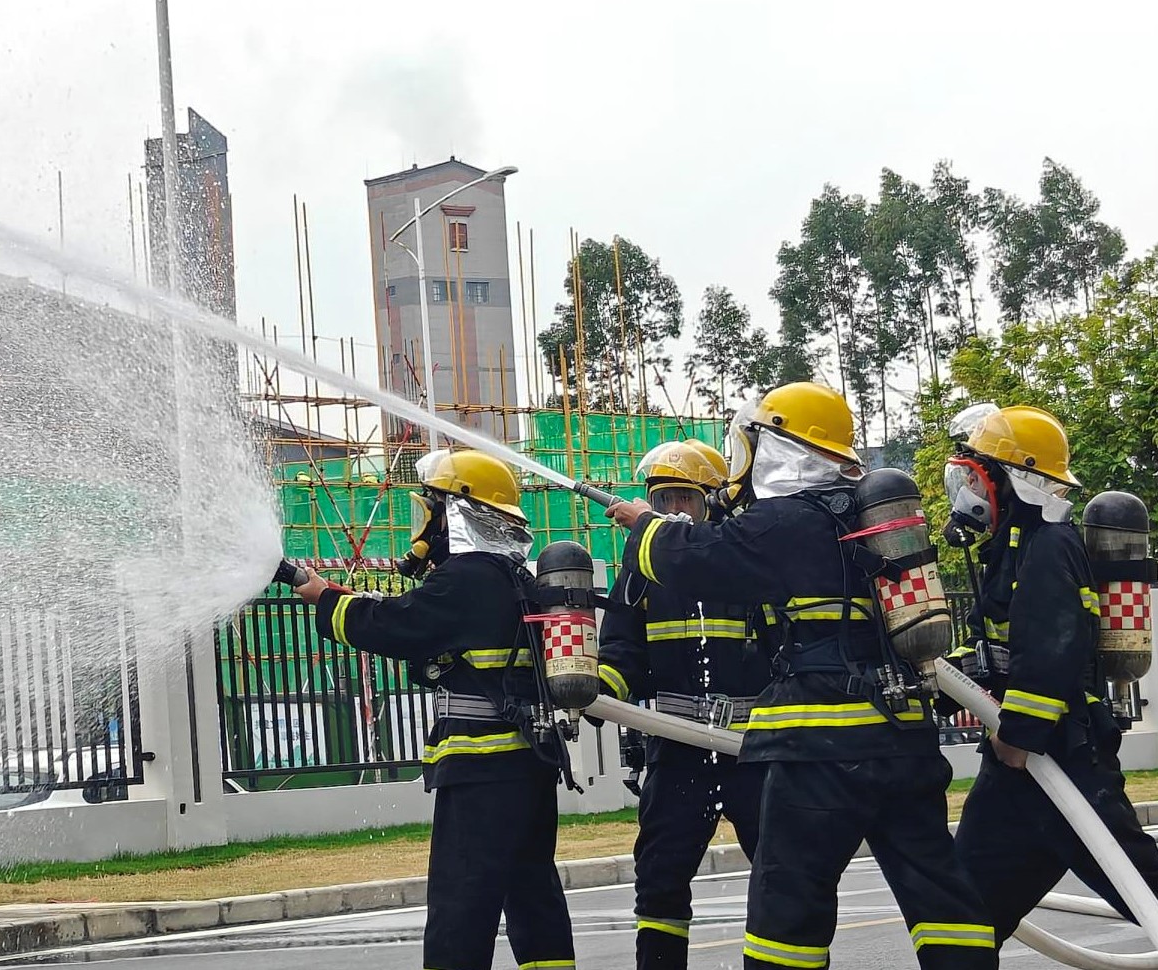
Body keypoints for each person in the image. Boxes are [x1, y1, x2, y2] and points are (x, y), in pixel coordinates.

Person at [605, 382, 995, 970]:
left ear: (776, 446)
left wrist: (646, 524)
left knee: (787, 911)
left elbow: (692, 559)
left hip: (821, 750)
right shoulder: (861, 517)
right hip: (904, 740)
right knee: (942, 901)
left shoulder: (785, 520)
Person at [944, 405, 1158, 970]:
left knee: (1153, 894)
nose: (964, 490)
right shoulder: (1010, 548)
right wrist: (945, 679)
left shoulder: (1049, 546)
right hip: (1018, 773)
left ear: (1007, 478)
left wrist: (1020, 735)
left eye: (972, 475)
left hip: (1062, 758)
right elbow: (1005, 650)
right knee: (963, 912)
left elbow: (1056, 648)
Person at [286, 448, 574, 970]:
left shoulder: (467, 578)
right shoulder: (509, 576)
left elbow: (397, 625)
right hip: (528, 765)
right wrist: (339, 595)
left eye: (433, 509)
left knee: (461, 904)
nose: (426, 523)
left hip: (480, 768)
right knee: (533, 893)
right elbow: (424, 623)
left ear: (459, 513)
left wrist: (324, 600)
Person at [597, 439, 769, 970]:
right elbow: (621, 650)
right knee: (660, 879)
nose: (672, 512)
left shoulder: (741, 565)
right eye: (662, 499)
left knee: (783, 874)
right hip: (676, 748)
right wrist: (599, 688)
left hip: (753, 749)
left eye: (684, 500)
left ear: (712, 502)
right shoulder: (642, 570)